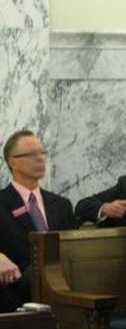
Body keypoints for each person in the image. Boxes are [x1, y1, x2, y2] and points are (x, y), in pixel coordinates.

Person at [0, 130, 76, 312]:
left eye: (42, 153)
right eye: (32, 154)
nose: (40, 159)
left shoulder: (61, 205)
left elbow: (74, 248)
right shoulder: (2, 203)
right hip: (16, 291)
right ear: (12, 162)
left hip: (65, 282)